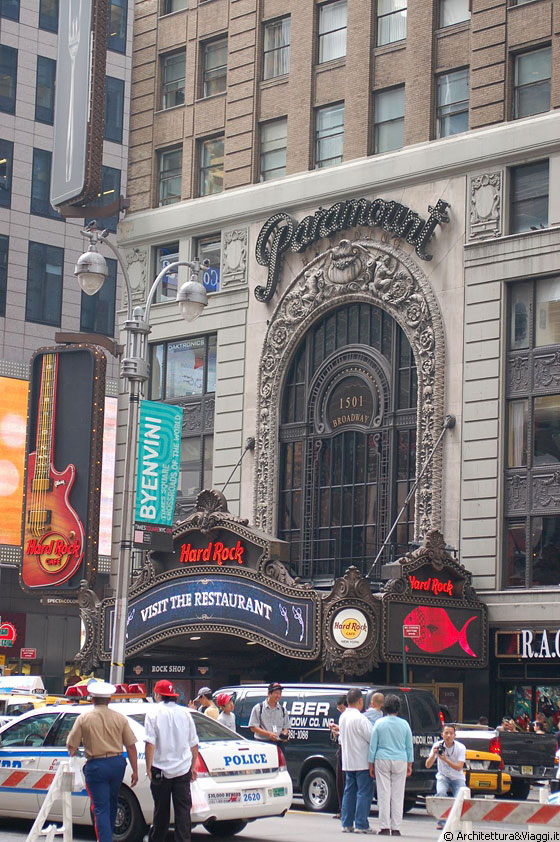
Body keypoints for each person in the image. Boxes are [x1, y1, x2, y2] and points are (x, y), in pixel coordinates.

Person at [66, 681, 138, 842]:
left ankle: (104, 839)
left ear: (92, 699)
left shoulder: (84, 718)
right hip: (117, 764)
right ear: (110, 700)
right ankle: (108, 836)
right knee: (112, 803)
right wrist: (135, 771)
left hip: (96, 766)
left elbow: (71, 745)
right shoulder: (120, 718)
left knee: (100, 808)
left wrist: (76, 754)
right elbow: (131, 746)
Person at [144, 679, 199, 842]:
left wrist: (148, 767)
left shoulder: (153, 713)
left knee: (161, 812)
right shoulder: (186, 713)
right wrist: (193, 766)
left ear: (158, 695)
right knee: (183, 812)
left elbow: (150, 743)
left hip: (160, 769)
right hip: (183, 770)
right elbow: (194, 744)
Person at [368, 694, 413, 837]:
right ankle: (396, 828)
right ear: (398, 708)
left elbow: (373, 746)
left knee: (383, 793)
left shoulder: (379, 723)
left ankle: (384, 827)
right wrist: (409, 764)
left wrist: (371, 764)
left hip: (382, 759)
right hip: (400, 759)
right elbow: (409, 746)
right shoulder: (404, 724)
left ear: (385, 707)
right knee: (398, 795)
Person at [338, 688, 374, 834]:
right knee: (364, 792)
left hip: (348, 761)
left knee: (349, 791)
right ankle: (361, 824)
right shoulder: (361, 718)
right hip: (362, 761)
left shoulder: (343, 717)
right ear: (360, 701)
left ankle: (346, 823)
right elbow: (371, 737)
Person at [426, 723, 466, 831]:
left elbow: (459, 767)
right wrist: (434, 755)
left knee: (460, 798)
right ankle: (442, 821)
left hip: (457, 777)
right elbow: (428, 765)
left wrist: (445, 759)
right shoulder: (437, 745)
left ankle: (458, 822)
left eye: (451, 733)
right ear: (442, 734)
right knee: (441, 793)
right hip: (443, 775)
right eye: (446, 733)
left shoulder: (460, 748)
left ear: (455, 735)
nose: (448, 736)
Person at [328, 694, 348, 819]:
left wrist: (339, 731)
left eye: (342, 708)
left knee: (345, 781)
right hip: (342, 749)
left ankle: (345, 810)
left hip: (347, 751)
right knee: (340, 781)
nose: (341, 711)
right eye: (339, 709)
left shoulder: (349, 717)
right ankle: (342, 808)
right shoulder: (344, 717)